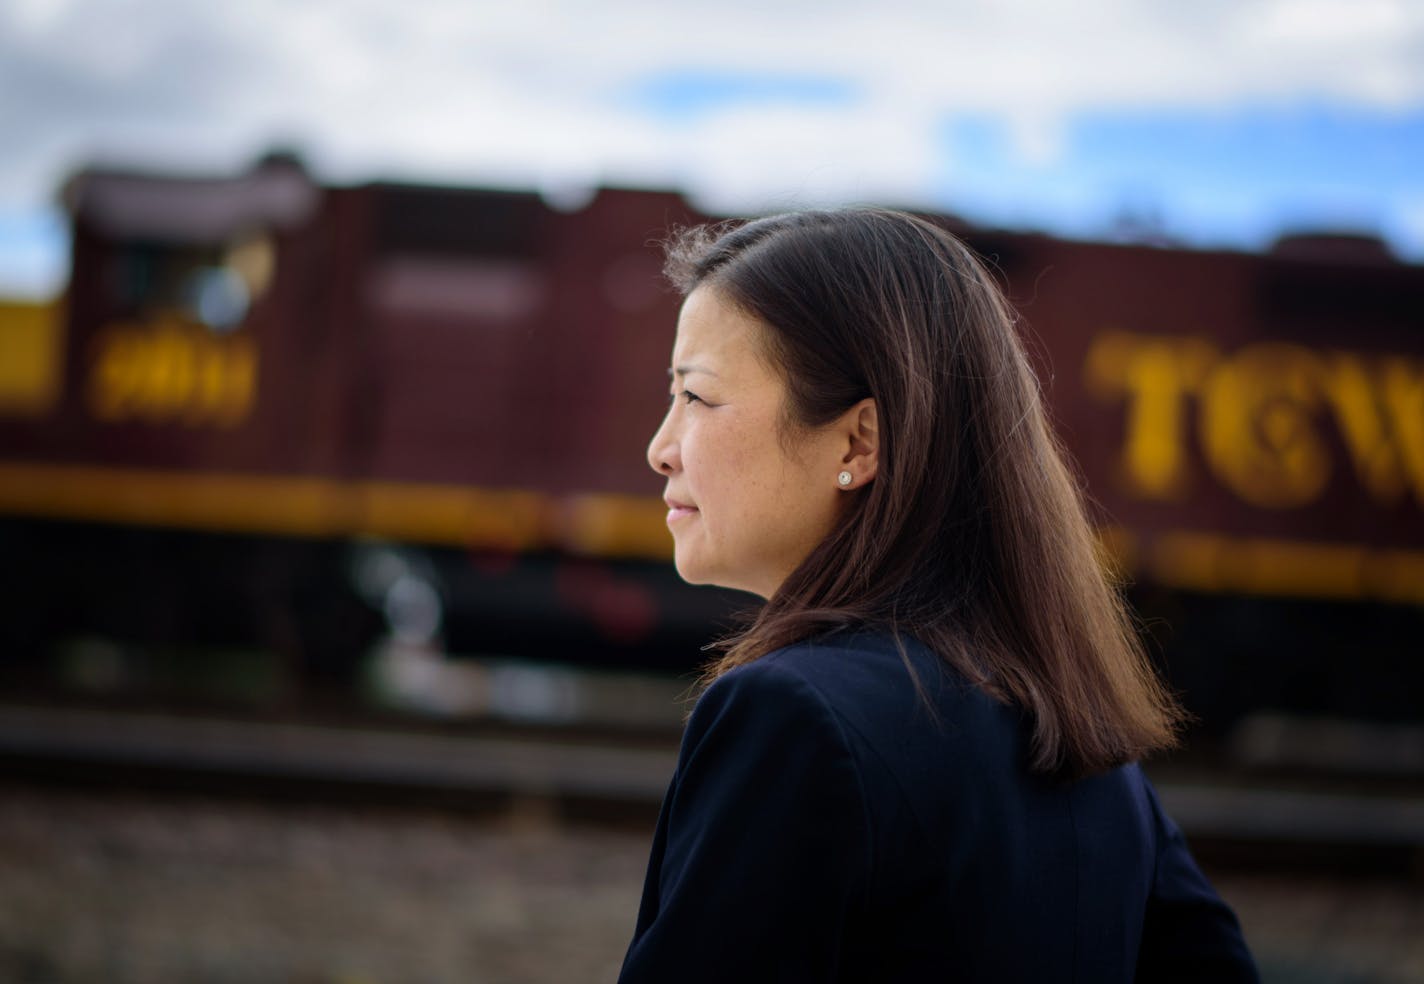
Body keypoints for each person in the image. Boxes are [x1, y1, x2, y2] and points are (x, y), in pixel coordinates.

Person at [620, 209, 1258, 983]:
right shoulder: (1087, 744)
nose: (661, 449)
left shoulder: (791, 718)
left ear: (859, 443)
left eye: (697, 397)